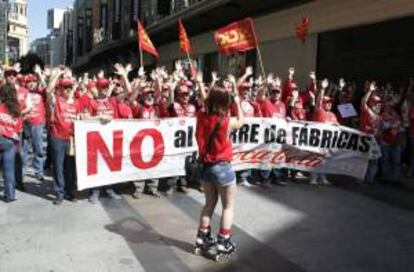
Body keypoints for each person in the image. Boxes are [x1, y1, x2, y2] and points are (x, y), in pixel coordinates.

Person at [194, 74, 244, 260]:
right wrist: (238, 102)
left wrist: (202, 84)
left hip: (206, 167)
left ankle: (202, 238)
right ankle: (223, 241)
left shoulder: (201, 115)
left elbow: (205, 101)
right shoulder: (226, 122)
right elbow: (241, 121)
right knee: (228, 207)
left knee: (208, 205)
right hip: (222, 167)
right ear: (226, 102)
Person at [46, 68, 82, 205]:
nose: (68, 89)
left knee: (70, 166)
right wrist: (56, 76)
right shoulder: (56, 100)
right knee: (58, 166)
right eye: (65, 87)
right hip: (58, 138)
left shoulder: (77, 103)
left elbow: (81, 118)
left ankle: (70, 192)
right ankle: (59, 192)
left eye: (69, 87)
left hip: (71, 140)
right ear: (60, 88)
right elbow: (49, 91)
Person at [256, 75, 288, 187]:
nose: (275, 94)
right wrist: (265, 85)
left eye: (277, 92)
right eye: (273, 92)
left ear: (280, 93)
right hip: (267, 136)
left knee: (278, 157)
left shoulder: (283, 105)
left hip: (279, 136)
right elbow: (259, 96)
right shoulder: (266, 102)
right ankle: (265, 179)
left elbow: (283, 118)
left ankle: (277, 177)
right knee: (267, 157)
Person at [310, 79, 338, 185]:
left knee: (326, 160)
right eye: (327, 103)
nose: (329, 104)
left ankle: (323, 178)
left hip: (328, 142)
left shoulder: (333, 115)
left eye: (330, 103)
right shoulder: (319, 111)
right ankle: (313, 178)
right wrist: (322, 89)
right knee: (316, 160)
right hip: (317, 140)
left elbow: (337, 126)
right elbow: (319, 101)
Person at [0, 83, 23, 202]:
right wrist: (18, 147)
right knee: (9, 170)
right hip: (11, 141)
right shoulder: (17, 110)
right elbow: (19, 130)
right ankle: (10, 195)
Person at [359, 82, 382, 184]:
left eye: (378, 103)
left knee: (374, 162)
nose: (376, 104)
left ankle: (370, 180)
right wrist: (370, 91)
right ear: (371, 102)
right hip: (365, 140)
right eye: (374, 102)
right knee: (364, 161)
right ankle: (360, 178)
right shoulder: (367, 111)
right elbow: (363, 101)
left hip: (376, 141)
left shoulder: (380, 116)